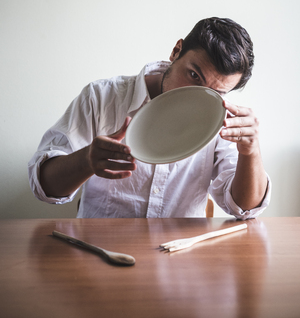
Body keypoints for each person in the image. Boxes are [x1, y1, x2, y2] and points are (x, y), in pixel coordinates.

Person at [28, 17, 271, 219]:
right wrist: (86, 161)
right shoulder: (102, 97)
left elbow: (244, 208)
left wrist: (251, 153)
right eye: (194, 75)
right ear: (176, 51)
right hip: (99, 253)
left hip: (180, 263)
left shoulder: (224, 119)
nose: (195, 96)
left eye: (215, 92)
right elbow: (44, 187)